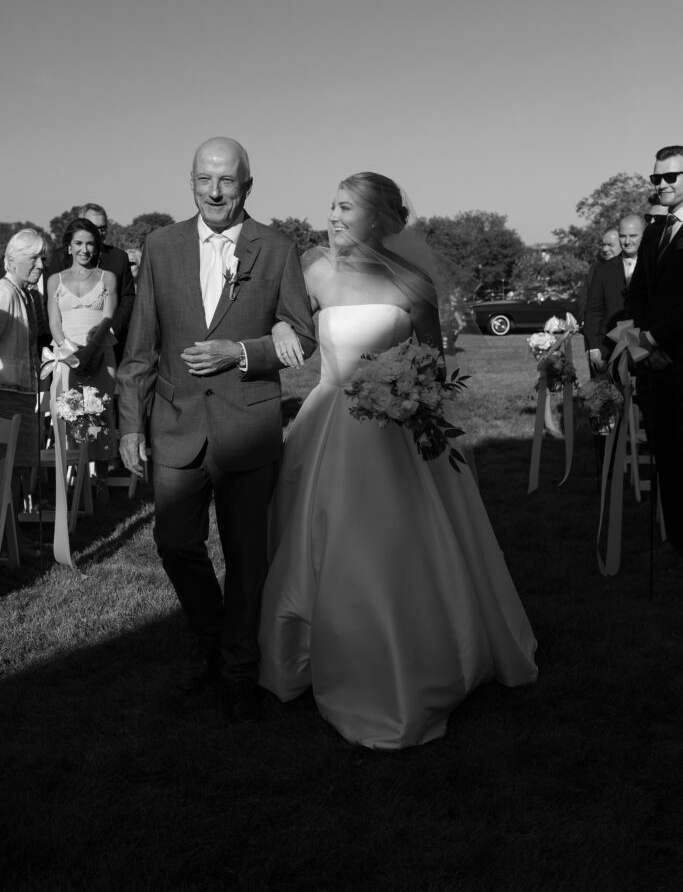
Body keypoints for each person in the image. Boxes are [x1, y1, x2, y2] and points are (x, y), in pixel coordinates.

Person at [258, 172, 538, 750]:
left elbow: (433, 363)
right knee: (315, 535)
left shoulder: (412, 282)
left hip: (393, 430)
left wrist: (406, 386)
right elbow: (289, 319)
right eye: (331, 206)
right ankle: (309, 653)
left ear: (382, 219)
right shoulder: (313, 267)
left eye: (347, 209)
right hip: (326, 424)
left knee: (389, 542)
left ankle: (408, 659)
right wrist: (287, 323)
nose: (333, 217)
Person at [117, 136, 316, 723]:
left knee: (247, 557)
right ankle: (211, 641)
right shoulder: (160, 245)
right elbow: (140, 343)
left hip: (248, 427)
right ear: (191, 182)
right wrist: (131, 424)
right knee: (175, 543)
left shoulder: (277, 248)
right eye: (204, 178)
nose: (215, 190)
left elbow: (302, 336)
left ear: (247, 185)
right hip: (176, 424)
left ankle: (237, 668)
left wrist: (243, 351)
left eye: (227, 180)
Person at [626, 145, 683, 566]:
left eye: (671, 177)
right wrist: (645, 349)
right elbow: (637, 296)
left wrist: (655, 341)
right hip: (656, 369)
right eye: (656, 178)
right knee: (668, 460)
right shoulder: (653, 232)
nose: (662, 185)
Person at [46, 218, 118, 501]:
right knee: (70, 415)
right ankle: (73, 485)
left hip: (100, 355)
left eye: (90, 243)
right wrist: (69, 352)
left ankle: (100, 481)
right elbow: (54, 322)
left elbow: (107, 319)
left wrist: (90, 351)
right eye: (78, 243)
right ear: (69, 246)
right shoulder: (55, 279)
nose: (84, 249)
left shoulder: (107, 278)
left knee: (99, 414)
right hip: (67, 358)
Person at [0, 230, 48, 560]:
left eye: (43, 257)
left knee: (18, 470)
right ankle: (9, 541)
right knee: (8, 471)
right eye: (34, 258)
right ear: (13, 260)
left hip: (21, 392)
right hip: (6, 394)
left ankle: (13, 539)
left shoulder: (26, 294)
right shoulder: (4, 293)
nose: (41, 264)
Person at [47, 205, 135, 365]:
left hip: (107, 343)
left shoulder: (119, 258)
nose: (99, 232)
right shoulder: (59, 258)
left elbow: (127, 297)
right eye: (94, 227)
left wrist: (110, 330)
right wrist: (66, 348)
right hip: (67, 347)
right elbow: (53, 308)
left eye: (103, 228)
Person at [584, 214, 645, 372]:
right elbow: (593, 310)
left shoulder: (653, 265)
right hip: (608, 349)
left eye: (633, 236)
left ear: (644, 235)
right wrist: (593, 348)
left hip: (645, 349)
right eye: (623, 236)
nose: (627, 241)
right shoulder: (603, 269)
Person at [576, 227, 620, 327]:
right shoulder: (595, 268)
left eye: (610, 245)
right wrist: (584, 319)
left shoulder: (632, 267)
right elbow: (584, 297)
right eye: (603, 245)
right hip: (597, 328)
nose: (605, 249)